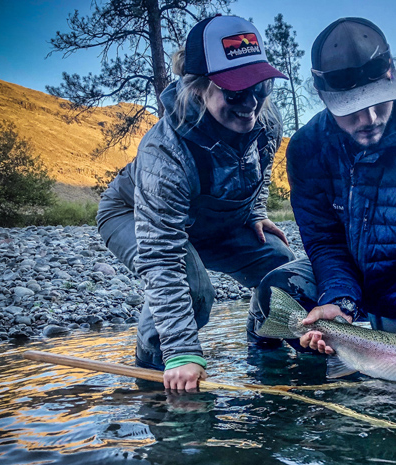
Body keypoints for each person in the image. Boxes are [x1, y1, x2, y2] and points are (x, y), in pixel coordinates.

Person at [248, 17, 396, 354]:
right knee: (276, 295)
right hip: (348, 283)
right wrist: (339, 303)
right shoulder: (307, 150)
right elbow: (326, 243)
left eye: (379, 101)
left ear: (393, 76)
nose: (370, 119)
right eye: (353, 109)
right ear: (323, 95)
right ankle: (282, 389)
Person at [96, 15, 295, 391]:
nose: (251, 104)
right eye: (235, 92)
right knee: (193, 289)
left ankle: (264, 346)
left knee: (282, 267)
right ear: (199, 87)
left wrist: (256, 211)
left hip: (218, 223)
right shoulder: (164, 151)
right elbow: (161, 255)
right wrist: (183, 352)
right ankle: (155, 373)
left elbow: (263, 169)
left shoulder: (266, 120)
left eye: (261, 86)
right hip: (133, 215)